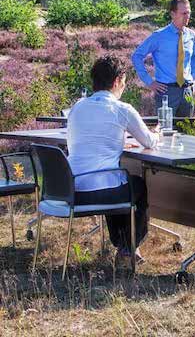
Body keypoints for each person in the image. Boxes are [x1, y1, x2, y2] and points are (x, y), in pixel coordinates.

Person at [67, 56, 160, 261]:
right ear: (117, 81)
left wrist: (117, 142)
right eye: (124, 83)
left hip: (72, 190)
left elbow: (87, 141)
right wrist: (158, 133)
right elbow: (149, 141)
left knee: (116, 180)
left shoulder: (77, 107)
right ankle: (129, 246)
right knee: (136, 185)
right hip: (100, 193)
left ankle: (123, 245)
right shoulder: (122, 109)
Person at [131, 0, 195, 117]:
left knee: (186, 132)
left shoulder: (191, 36)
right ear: (173, 14)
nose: (187, 16)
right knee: (165, 131)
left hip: (187, 92)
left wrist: (194, 81)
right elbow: (137, 56)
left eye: (188, 13)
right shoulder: (159, 36)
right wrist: (149, 82)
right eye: (183, 13)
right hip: (166, 92)